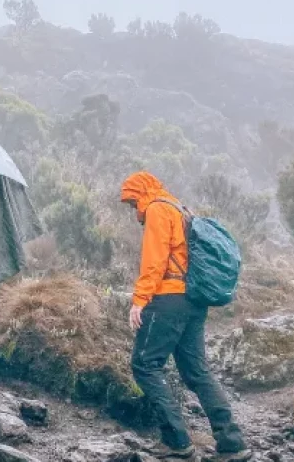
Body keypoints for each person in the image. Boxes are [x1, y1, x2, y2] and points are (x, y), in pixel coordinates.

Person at [121, 172, 252, 462]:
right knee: (197, 371)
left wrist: (140, 300)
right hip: (194, 300)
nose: (133, 211)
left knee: (145, 365)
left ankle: (176, 442)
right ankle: (232, 443)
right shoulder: (179, 207)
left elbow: (154, 260)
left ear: (141, 192)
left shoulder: (157, 209)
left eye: (132, 203)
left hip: (169, 297)